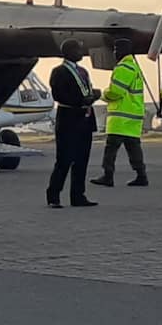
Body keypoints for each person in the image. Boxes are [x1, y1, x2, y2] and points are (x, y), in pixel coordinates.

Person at [46, 39, 100, 208]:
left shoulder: (83, 71)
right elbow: (59, 95)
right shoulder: (59, 72)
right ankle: (53, 196)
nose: (81, 52)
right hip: (68, 120)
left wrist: (93, 96)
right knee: (64, 160)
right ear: (68, 52)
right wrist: (80, 100)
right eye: (78, 49)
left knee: (81, 160)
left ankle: (78, 195)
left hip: (84, 120)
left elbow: (86, 90)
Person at [90, 38, 149, 187]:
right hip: (133, 116)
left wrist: (102, 95)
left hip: (121, 116)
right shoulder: (133, 68)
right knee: (133, 147)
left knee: (111, 148)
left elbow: (116, 92)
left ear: (123, 51)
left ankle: (108, 176)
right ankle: (141, 175)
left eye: (116, 50)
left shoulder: (124, 68)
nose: (114, 53)